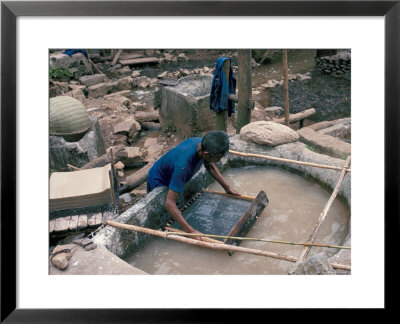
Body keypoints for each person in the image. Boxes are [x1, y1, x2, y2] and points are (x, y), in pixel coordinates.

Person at [147, 130, 240, 239]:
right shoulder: (183, 167)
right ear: (206, 154)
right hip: (159, 180)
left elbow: (209, 165)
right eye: (218, 158)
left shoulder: (202, 144)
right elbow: (169, 203)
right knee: (162, 216)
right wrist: (190, 231)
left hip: (173, 171)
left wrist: (227, 187)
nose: (219, 161)